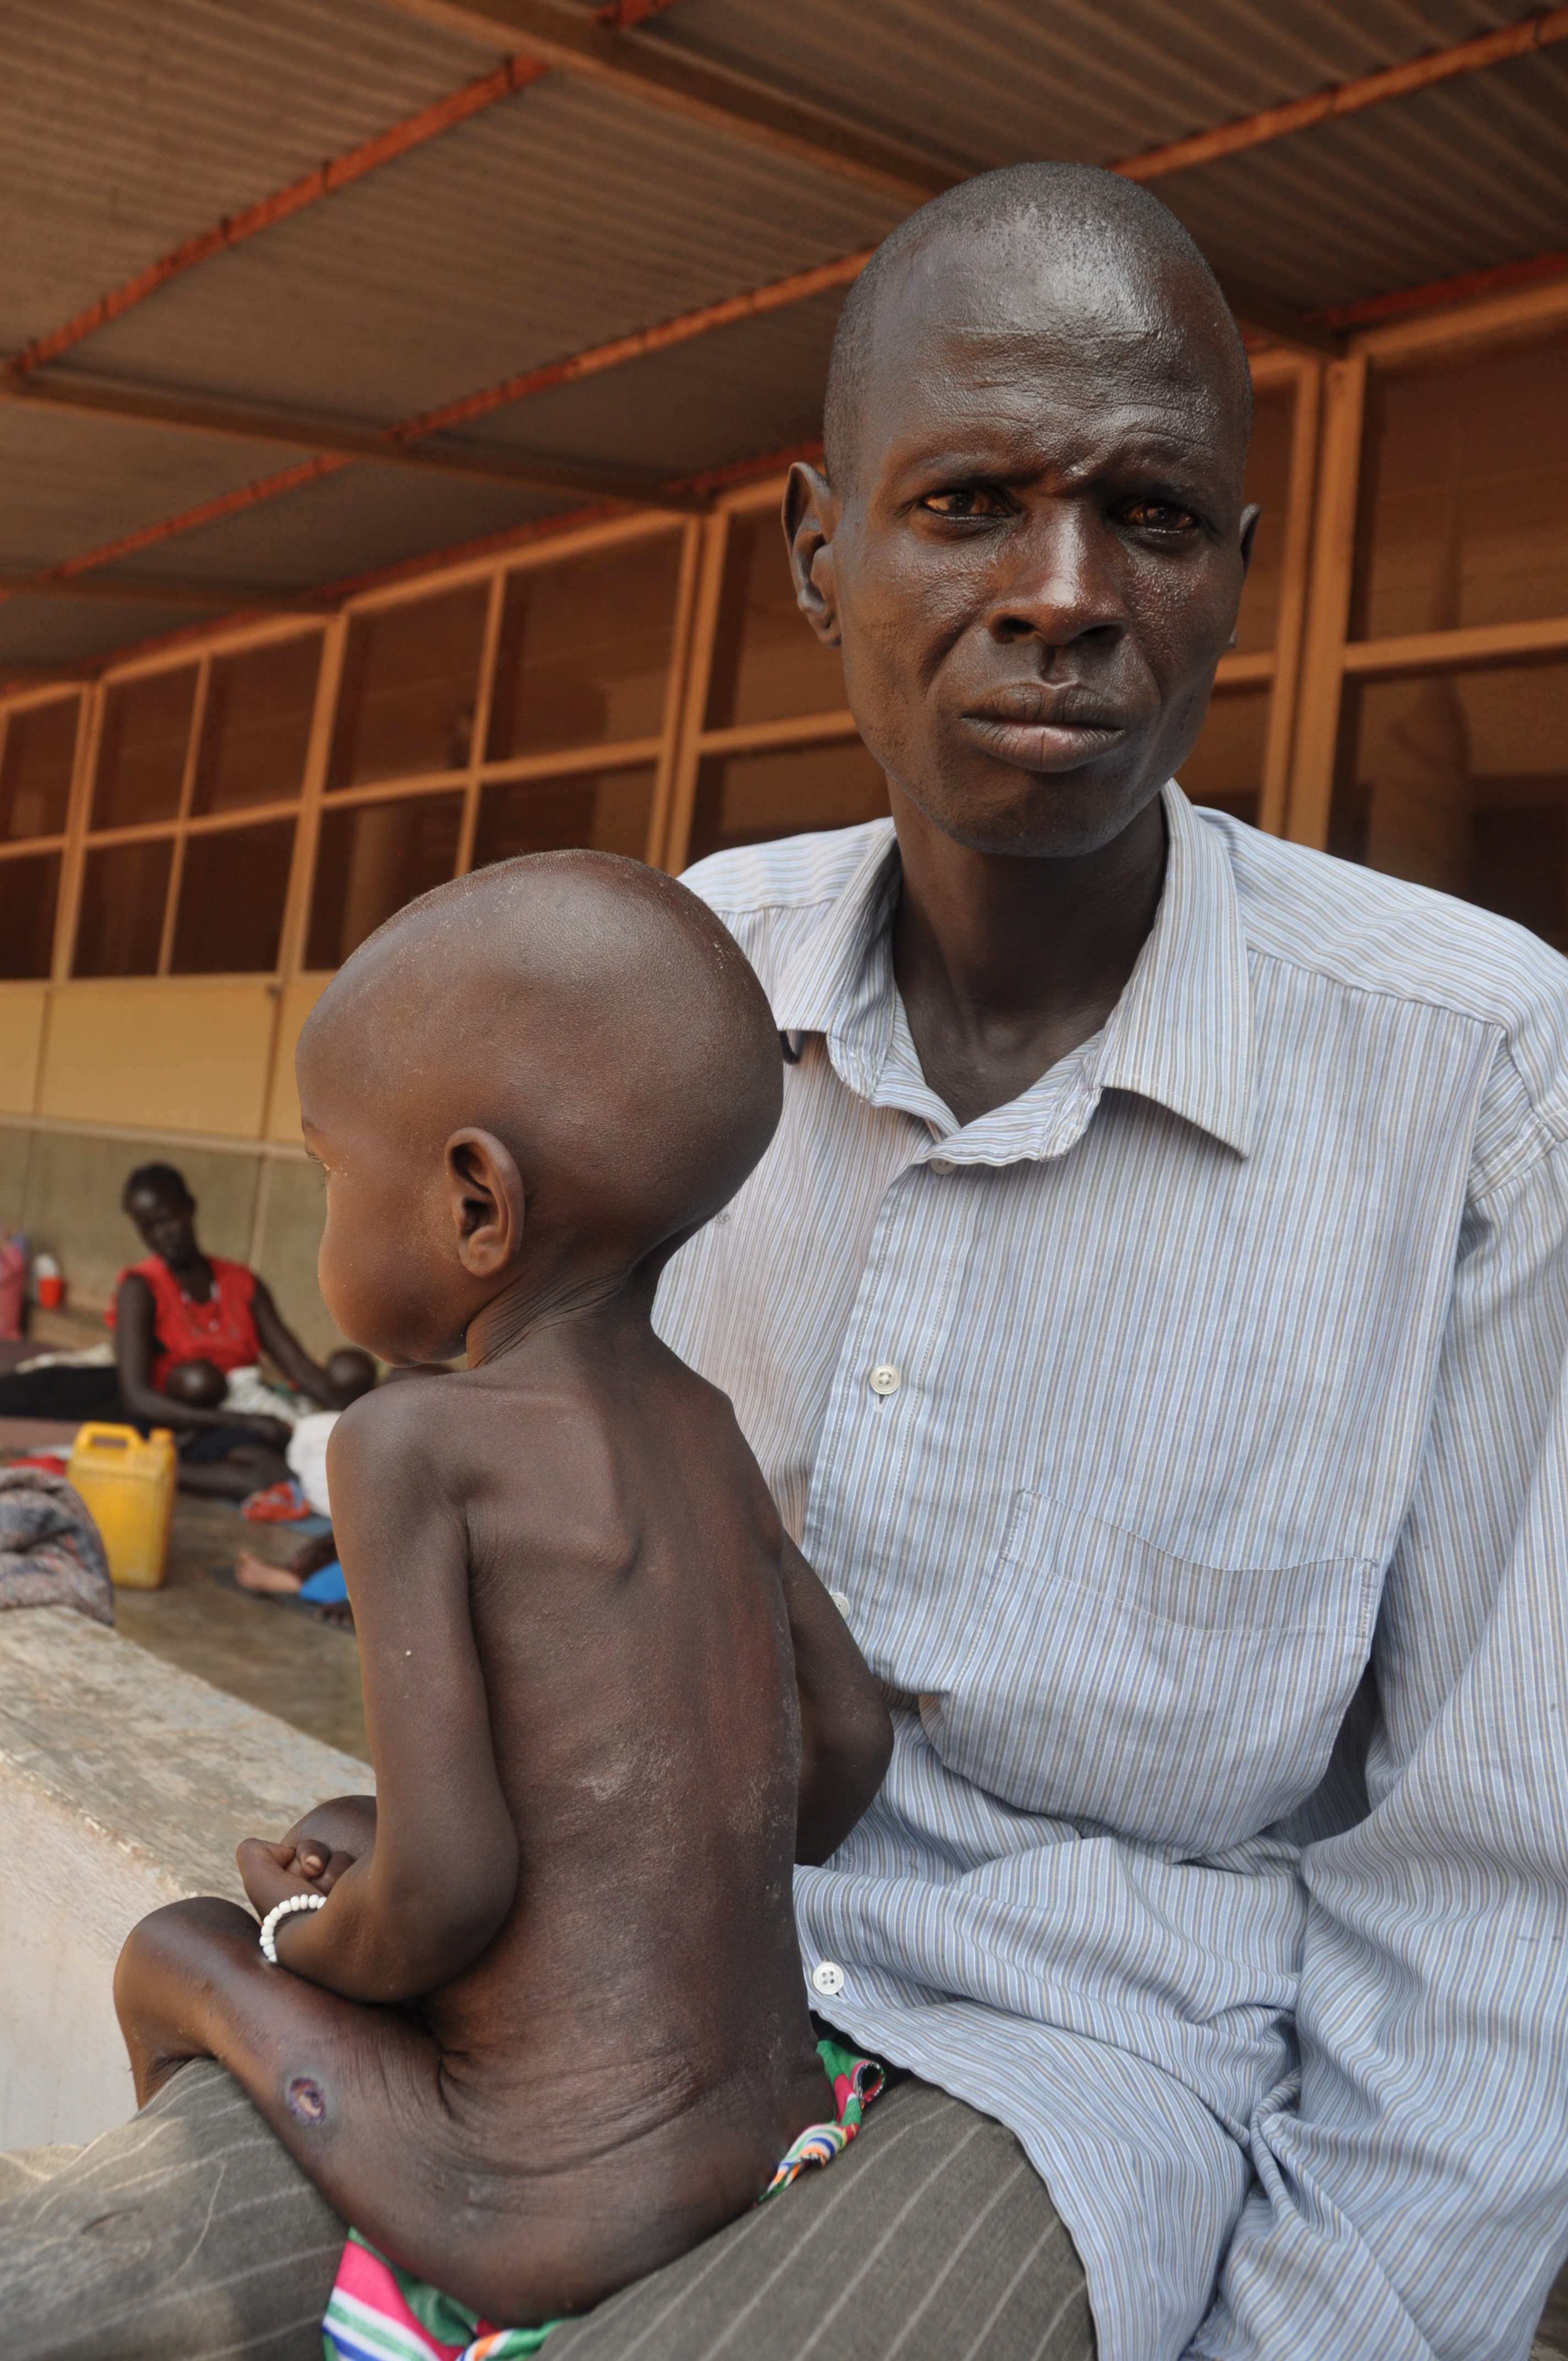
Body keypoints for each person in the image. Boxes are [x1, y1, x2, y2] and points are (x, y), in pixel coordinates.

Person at [7, 157, 1568, 2361]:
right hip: (579, 1997)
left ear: (1233, 563)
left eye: (1150, 513)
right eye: (965, 506)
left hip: (1063, 2068)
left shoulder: (1476, 1072)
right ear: (819, 550)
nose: (1059, 590)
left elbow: (1505, 1903)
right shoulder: (672, 976)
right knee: (54, 2292)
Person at [113, 853, 893, 2336]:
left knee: (182, 1947)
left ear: (477, 1205)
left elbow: (457, 1887)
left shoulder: (412, 1440)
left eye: (336, 1169)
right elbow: (847, 1746)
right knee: (348, 1833)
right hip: (778, 2124)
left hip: (533, 2200)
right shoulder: (705, 1423)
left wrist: (299, 1943)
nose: (327, 1206)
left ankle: (296, 2291)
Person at [113, 1163, 358, 1500]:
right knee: (263, 1465)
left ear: (189, 1206)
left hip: (243, 1408)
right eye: (149, 1228)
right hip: (182, 1422)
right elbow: (136, 1397)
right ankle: (152, 1466)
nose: (163, 1235)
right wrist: (241, 1423)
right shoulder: (140, 1288)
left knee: (349, 1371)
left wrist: (354, 1414)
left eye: (168, 1218)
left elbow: (298, 1367)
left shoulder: (242, 1284)